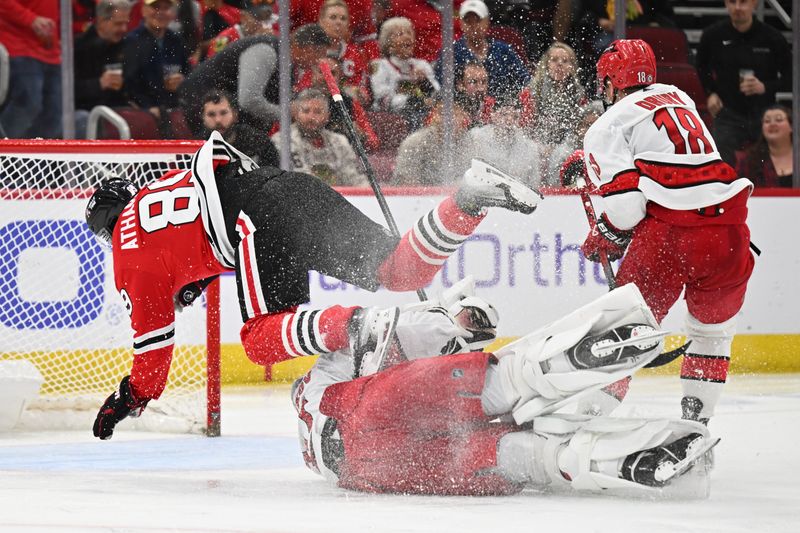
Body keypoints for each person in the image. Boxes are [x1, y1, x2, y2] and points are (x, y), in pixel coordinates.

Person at [86, 132, 543, 440]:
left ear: (108, 225)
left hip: (256, 219)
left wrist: (127, 398)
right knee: (400, 269)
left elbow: (152, 362)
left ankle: (359, 326)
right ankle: (469, 198)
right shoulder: (166, 186)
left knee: (259, 341)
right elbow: (201, 226)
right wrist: (195, 280)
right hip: (292, 187)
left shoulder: (129, 255)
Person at [293, 282, 716, 496]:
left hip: (369, 470)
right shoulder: (420, 321)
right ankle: (562, 363)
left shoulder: (415, 343)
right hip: (357, 425)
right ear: (452, 303)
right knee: (492, 387)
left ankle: (629, 461)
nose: (475, 333)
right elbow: (398, 339)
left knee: (506, 454)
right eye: (473, 318)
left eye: (483, 331)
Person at [578, 39, 755, 424]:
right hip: (731, 234)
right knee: (712, 336)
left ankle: (586, 424)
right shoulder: (678, 97)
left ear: (610, 81)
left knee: (622, 332)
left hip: (672, 237)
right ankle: (696, 428)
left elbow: (626, 211)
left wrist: (606, 232)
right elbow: (671, 153)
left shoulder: (605, 126)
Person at [180, 24, 330, 136]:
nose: (318, 60)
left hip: (223, 108)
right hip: (200, 103)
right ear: (299, 46)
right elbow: (249, 100)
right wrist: (286, 113)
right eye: (317, 53)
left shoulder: (290, 65)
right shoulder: (266, 51)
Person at [696, 0, 792, 166]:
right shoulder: (713, 35)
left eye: (743, 2)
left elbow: (791, 77)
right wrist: (710, 92)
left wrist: (765, 87)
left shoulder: (773, 37)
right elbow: (700, 67)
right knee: (720, 156)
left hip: (764, 113)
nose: (738, 7)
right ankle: (726, 189)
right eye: (733, 2)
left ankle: (776, 189)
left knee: (772, 156)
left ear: (754, 3)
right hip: (727, 110)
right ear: (726, 3)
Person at [434, 0, 530, 101]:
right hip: (463, 110)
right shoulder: (450, 54)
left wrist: (511, 107)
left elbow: (525, 83)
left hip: (501, 111)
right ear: (461, 23)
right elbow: (440, 90)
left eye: (477, 20)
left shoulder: (503, 50)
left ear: (487, 21)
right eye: (468, 21)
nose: (473, 25)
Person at [271, 88, 368, 186]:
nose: (311, 117)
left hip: (339, 198)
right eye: (306, 111)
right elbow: (298, 182)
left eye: (317, 112)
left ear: (327, 116)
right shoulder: (283, 141)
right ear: (296, 114)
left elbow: (356, 180)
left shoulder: (340, 141)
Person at [0, 0, 62, 138]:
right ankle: (5, 153)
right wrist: (30, 19)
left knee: (54, 114)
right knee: (28, 105)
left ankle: (36, 158)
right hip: (19, 46)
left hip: (50, 50)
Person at [122, 0, 190, 120]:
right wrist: (147, 107)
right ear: (143, 11)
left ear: (173, 13)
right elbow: (129, 85)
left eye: (166, 8)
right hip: (142, 111)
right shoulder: (132, 41)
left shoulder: (176, 40)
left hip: (174, 107)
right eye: (156, 7)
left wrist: (182, 82)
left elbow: (188, 72)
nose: (161, 12)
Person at [73, 0, 132, 138]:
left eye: (126, 23)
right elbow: (67, 92)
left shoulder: (126, 46)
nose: (124, 29)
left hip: (117, 108)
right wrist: (99, 84)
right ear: (100, 21)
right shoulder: (78, 47)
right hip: (86, 110)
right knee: (84, 119)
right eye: (118, 24)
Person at [370, 16, 439, 131]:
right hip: (391, 121)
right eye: (399, 34)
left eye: (409, 32)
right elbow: (382, 98)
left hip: (422, 116)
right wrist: (413, 101)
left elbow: (436, 95)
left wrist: (424, 82)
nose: (407, 37)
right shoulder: (381, 66)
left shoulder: (422, 65)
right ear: (389, 44)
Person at [393, 99, 475, 185]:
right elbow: (407, 183)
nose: (447, 119)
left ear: (465, 116)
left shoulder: (471, 143)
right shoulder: (415, 143)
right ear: (433, 115)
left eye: (454, 114)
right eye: (441, 113)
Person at [522, 42, 587, 148]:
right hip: (534, 145)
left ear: (572, 67)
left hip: (566, 146)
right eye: (554, 60)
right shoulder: (532, 91)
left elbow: (579, 128)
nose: (559, 64)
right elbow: (525, 126)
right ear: (546, 64)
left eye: (565, 61)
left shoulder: (579, 94)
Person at [469, 96, 542, 188]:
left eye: (515, 117)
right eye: (504, 114)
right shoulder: (477, 138)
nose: (509, 120)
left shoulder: (530, 148)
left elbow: (534, 187)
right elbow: (465, 176)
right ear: (493, 116)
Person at [199, 89, 280, 167]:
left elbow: (274, 174)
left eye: (223, 113)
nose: (218, 120)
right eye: (211, 114)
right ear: (203, 118)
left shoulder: (256, 141)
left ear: (235, 115)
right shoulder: (198, 147)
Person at [317, 0, 372, 106]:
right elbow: (304, 86)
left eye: (343, 18)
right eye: (333, 17)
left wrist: (359, 93)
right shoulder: (312, 51)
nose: (339, 22)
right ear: (321, 21)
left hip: (347, 107)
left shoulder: (356, 53)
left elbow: (363, 91)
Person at [735, 105, 794, 187]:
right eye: (767, 121)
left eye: (779, 119)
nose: (772, 124)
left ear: (792, 126)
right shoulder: (748, 161)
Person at [206, 1, 274, 59]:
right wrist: (254, 41)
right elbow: (212, 61)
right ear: (243, 17)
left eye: (264, 19)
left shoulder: (265, 34)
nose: (260, 23)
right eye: (257, 18)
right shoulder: (226, 37)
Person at [455, 61, 494, 129]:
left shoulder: (492, 105)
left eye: (483, 82)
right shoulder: (448, 111)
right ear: (460, 85)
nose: (480, 88)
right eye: (473, 82)